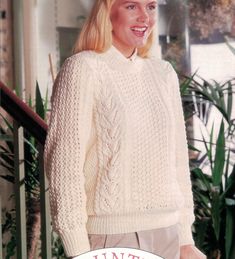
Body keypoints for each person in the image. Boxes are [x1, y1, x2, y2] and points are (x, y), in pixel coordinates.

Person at [44, 0, 206, 258]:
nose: (145, 17)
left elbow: (177, 163)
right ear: (107, 12)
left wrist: (185, 238)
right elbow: (65, 168)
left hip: (169, 234)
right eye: (132, 6)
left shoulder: (163, 73)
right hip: (113, 238)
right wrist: (78, 250)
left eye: (151, 7)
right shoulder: (83, 68)